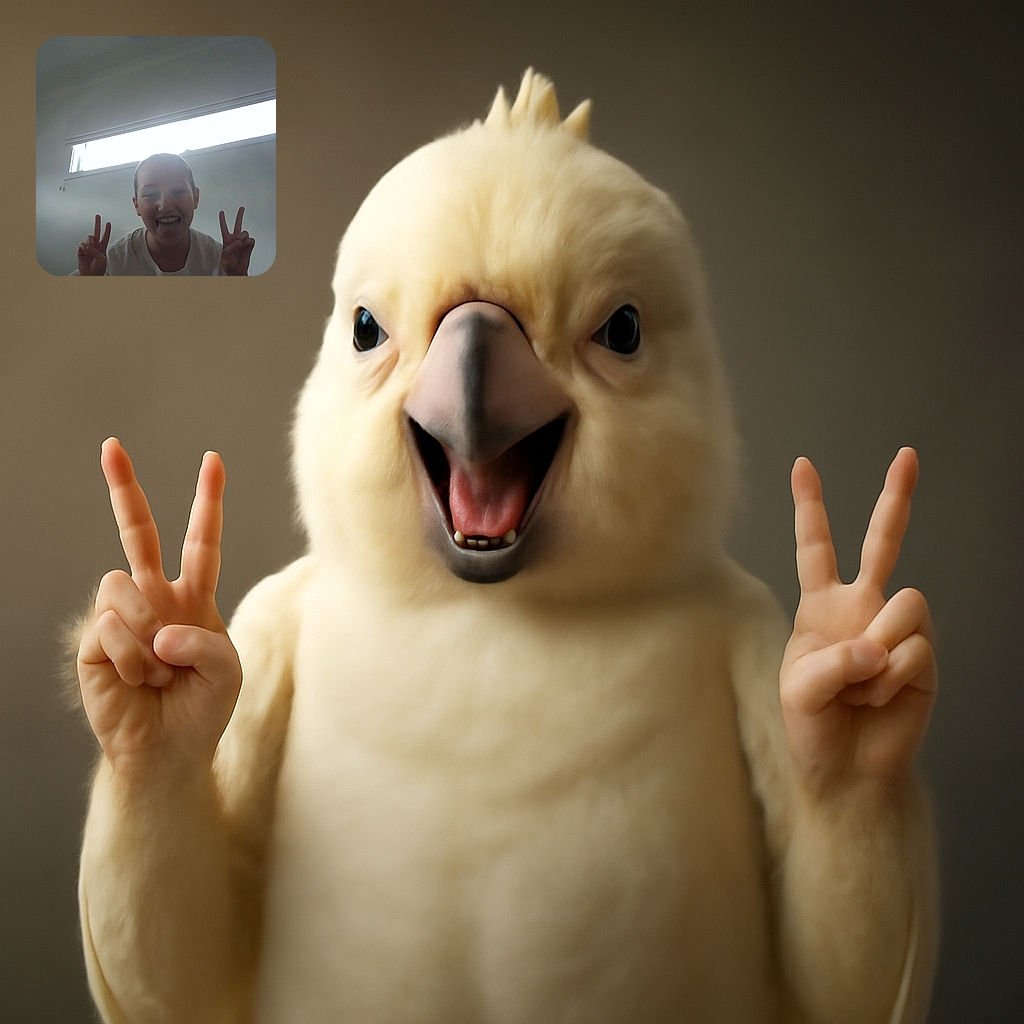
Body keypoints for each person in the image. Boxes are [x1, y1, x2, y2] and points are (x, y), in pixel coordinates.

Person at [75, 153, 255, 276]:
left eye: (177, 192)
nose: (165, 205)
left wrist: (236, 279)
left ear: (196, 198)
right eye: (150, 195)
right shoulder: (113, 261)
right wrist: (90, 285)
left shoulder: (219, 258)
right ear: (137, 205)